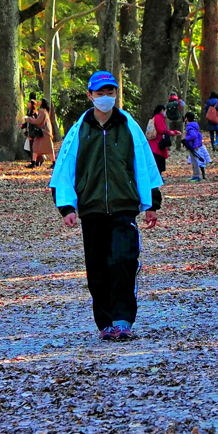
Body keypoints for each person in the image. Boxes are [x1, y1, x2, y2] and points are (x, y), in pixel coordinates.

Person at [49, 70, 162, 342]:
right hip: (91, 209)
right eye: (100, 93)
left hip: (124, 206)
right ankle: (105, 322)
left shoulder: (129, 126)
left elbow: (145, 165)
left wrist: (151, 203)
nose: (105, 98)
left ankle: (123, 319)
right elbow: (64, 170)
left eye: (110, 92)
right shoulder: (79, 130)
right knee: (97, 268)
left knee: (123, 261)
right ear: (90, 95)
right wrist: (67, 207)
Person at [146, 104, 180, 175]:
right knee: (158, 161)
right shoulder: (158, 117)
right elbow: (161, 130)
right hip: (157, 143)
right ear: (162, 110)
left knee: (158, 160)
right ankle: (158, 176)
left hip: (156, 143)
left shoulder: (157, 117)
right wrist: (173, 132)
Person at [182, 111, 210, 181]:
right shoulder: (194, 125)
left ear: (186, 118)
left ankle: (196, 176)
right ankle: (197, 175)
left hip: (193, 146)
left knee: (195, 162)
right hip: (197, 145)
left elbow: (193, 135)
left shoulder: (189, 127)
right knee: (195, 161)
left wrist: (185, 139)